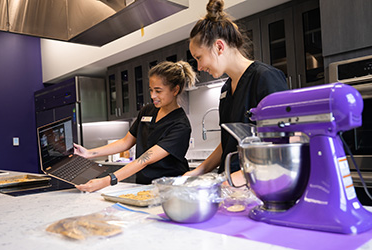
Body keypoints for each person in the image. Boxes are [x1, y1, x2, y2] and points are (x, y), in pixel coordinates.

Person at [184, 0, 288, 186]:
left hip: (260, 186)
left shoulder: (265, 78)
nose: (199, 67)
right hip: (232, 187)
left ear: (219, 47)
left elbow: (281, 147)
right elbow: (228, 142)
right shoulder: (226, 90)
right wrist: (198, 171)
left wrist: (231, 181)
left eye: (199, 58)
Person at [74, 60, 196, 192]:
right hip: (143, 185)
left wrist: (106, 181)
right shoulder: (148, 111)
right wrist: (88, 153)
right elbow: (126, 142)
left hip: (170, 190)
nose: (152, 96)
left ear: (175, 90)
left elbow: (144, 159)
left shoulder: (180, 125)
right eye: (151, 90)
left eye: (158, 91)